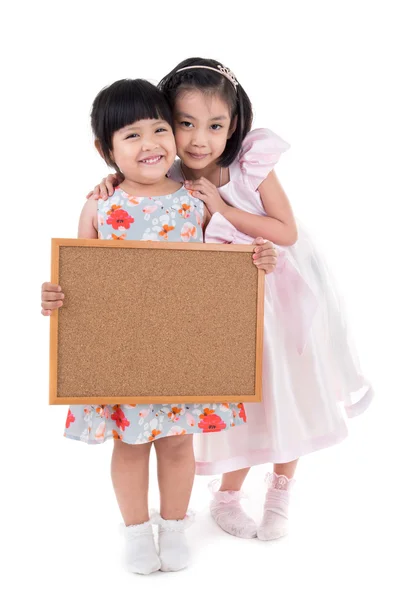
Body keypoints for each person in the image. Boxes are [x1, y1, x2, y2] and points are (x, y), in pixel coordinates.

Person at [88, 58, 372, 543]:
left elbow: (286, 231)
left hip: (278, 286)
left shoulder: (249, 166)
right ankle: (227, 493)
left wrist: (224, 208)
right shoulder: (169, 176)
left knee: (286, 386)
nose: (200, 139)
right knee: (242, 396)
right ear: (166, 122)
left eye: (215, 125)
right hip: (225, 303)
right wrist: (112, 184)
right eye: (185, 124)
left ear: (234, 125)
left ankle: (281, 488)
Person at [41, 77, 277, 574]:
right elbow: (81, 279)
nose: (149, 144)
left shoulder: (197, 199)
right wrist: (56, 296)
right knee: (129, 445)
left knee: (175, 443)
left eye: (159, 129)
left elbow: (223, 268)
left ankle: (173, 526)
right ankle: (134, 532)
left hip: (182, 351)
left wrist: (257, 257)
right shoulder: (100, 206)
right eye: (131, 136)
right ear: (104, 149)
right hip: (122, 354)